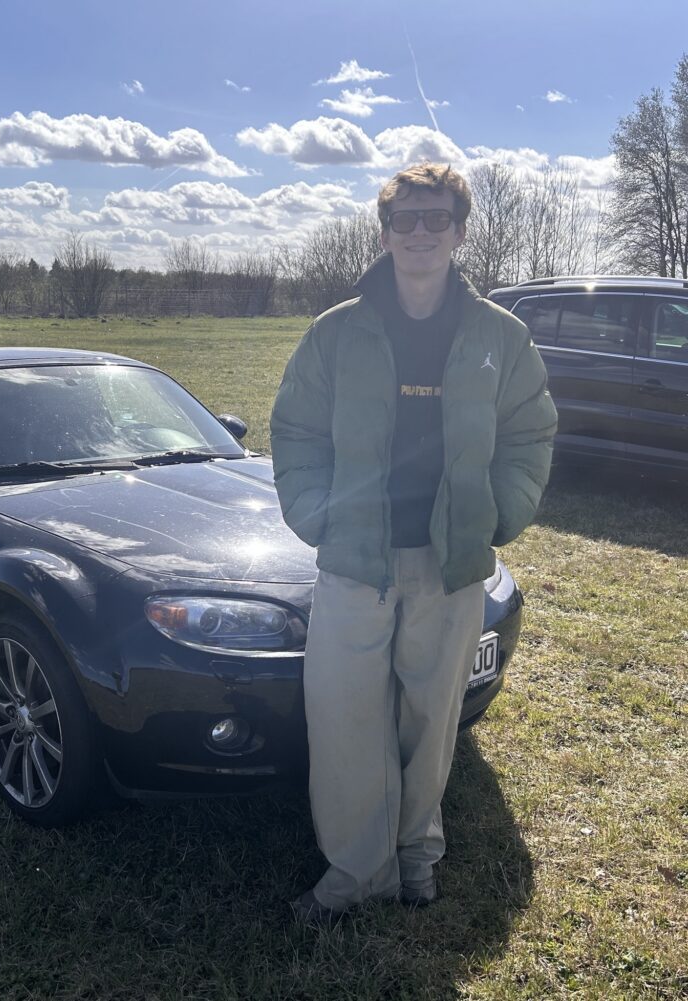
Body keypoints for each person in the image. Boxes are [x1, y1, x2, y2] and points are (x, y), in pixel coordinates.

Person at [270, 162, 557, 921]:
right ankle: (355, 872)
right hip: (355, 559)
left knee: (430, 720)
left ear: (460, 232)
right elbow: (296, 429)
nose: (421, 232)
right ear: (386, 233)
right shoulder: (336, 332)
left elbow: (530, 432)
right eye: (406, 219)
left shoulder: (501, 336)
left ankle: (416, 857)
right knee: (346, 720)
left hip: (449, 562)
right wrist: (318, 515)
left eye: (437, 218)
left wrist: (498, 516)